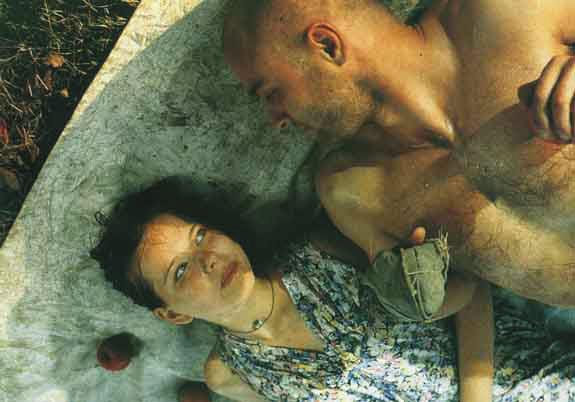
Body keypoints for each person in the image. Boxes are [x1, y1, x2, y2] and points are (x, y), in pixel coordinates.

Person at [221, 0, 575, 316]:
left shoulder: (509, 12)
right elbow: (462, 290)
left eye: (271, 92)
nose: (276, 119)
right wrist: (413, 301)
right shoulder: (350, 189)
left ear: (327, 45)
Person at [91, 177, 575, 402]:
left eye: (200, 236)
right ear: (173, 313)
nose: (208, 258)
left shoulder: (318, 252)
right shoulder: (228, 376)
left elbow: (472, 291)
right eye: (180, 271)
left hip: (528, 382)